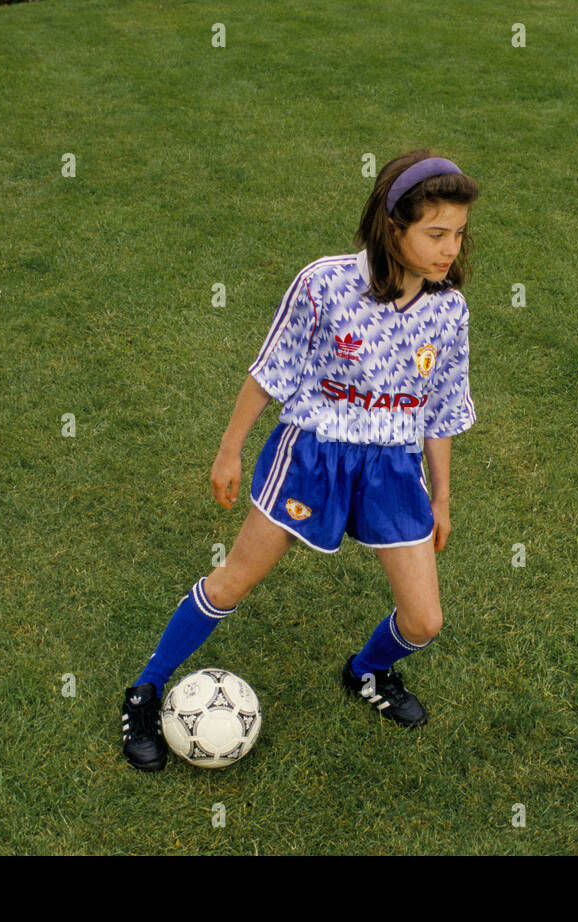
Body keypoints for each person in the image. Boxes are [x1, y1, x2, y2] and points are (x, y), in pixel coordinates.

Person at [121, 149, 479, 771]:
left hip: (393, 466)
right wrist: (229, 449)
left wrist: (442, 497)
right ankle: (146, 689)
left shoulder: (449, 310)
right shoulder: (326, 282)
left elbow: (440, 411)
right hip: (314, 454)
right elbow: (271, 372)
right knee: (236, 577)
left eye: (458, 234)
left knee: (424, 620)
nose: (450, 248)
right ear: (394, 227)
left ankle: (367, 672)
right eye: (436, 233)